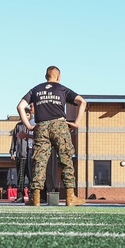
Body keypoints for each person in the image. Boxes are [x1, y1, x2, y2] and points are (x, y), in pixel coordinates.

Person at [17, 65, 87, 207]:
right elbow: (82, 102)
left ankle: (35, 197)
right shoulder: (62, 89)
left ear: (45, 77)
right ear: (58, 76)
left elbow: (20, 106)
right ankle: (70, 197)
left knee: (39, 161)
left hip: (41, 126)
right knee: (66, 159)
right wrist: (77, 122)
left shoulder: (36, 89)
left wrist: (29, 126)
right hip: (59, 125)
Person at [11, 108, 34, 203]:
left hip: (29, 155)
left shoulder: (31, 126)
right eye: (24, 114)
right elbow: (14, 140)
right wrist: (12, 152)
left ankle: (32, 195)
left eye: (28, 115)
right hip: (20, 155)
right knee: (20, 176)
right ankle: (20, 195)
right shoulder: (18, 126)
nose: (25, 116)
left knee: (31, 176)